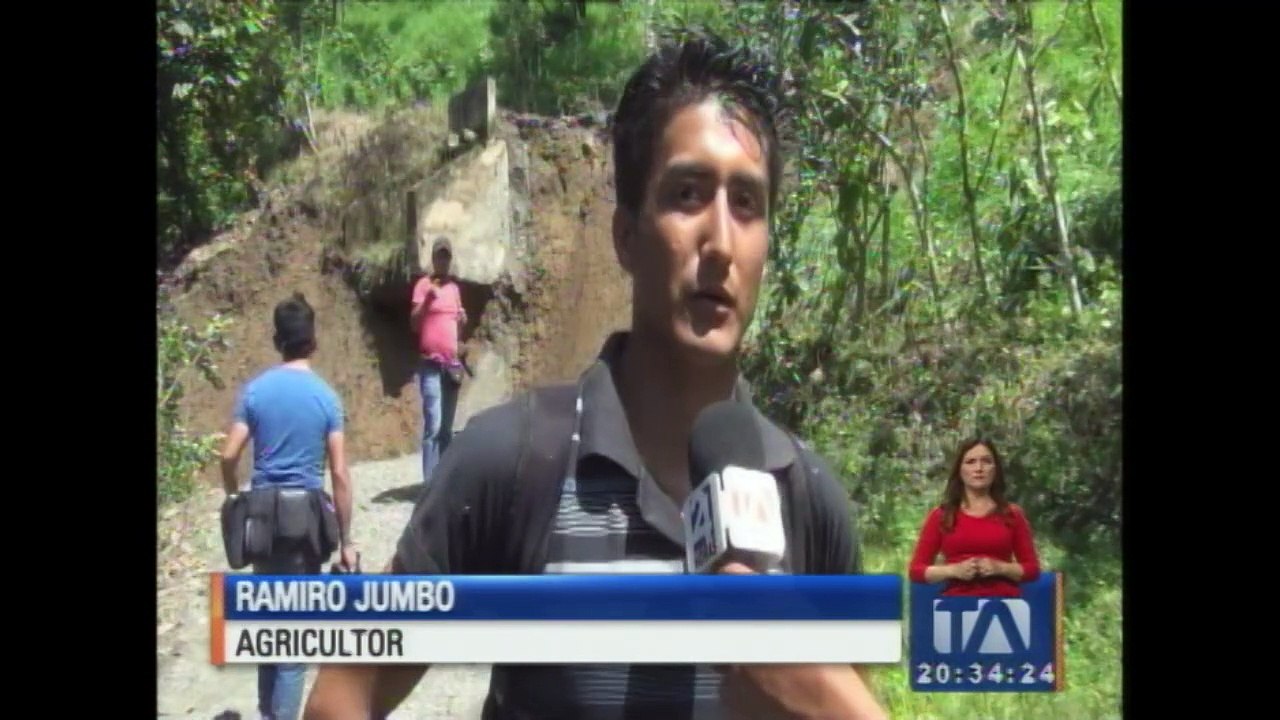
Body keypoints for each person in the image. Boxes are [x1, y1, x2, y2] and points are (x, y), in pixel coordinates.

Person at [304, 32, 887, 720]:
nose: (721, 242)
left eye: (747, 205)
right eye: (687, 194)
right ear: (625, 235)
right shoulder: (511, 463)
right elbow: (342, 699)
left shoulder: (811, 503)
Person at [219, 292, 358, 720]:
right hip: (304, 527)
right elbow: (338, 474)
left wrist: (232, 497)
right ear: (312, 341)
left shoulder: (256, 392)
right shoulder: (326, 398)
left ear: (278, 340)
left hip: (261, 520)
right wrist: (347, 540)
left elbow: (228, 456)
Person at [907, 438, 1042, 597]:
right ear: (959, 470)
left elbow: (1032, 569)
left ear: (995, 469)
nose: (979, 468)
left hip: (1004, 604)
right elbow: (916, 571)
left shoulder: (1012, 515)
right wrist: (953, 570)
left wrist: (1000, 568)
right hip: (955, 606)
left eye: (986, 461)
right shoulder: (942, 516)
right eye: (971, 462)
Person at [409, 237, 467, 486]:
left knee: (447, 428)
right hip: (430, 365)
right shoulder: (423, 286)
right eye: (439, 256)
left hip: (451, 366)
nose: (442, 261)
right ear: (433, 259)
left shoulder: (454, 290)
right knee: (433, 423)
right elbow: (413, 323)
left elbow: (456, 329)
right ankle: (429, 483)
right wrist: (428, 301)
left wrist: (462, 321)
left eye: (446, 257)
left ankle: (444, 483)